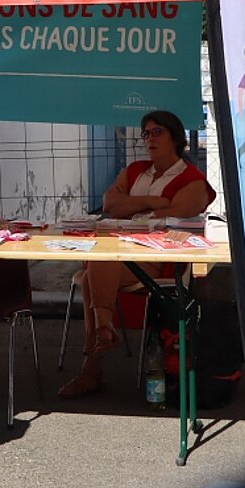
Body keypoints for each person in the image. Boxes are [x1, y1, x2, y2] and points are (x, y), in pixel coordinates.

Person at [58, 110, 216, 400]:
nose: (149, 139)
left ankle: (95, 358)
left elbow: (179, 213)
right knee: (102, 257)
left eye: (157, 132)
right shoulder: (135, 171)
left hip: (159, 262)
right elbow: (110, 205)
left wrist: (133, 209)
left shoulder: (192, 179)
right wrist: (152, 203)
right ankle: (102, 339)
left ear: (176, 138)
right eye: (146, 133)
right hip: (122, 255)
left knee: (100, 261)